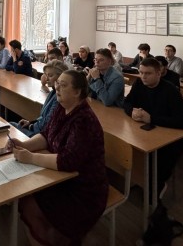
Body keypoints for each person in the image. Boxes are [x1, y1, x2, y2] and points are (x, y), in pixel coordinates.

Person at [9, 70, 108, 245]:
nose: (57, 88)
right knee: (25, 196)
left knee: (31, 203)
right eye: (57, 84)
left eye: (63, 85)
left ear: (77, 92)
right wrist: (24, 145)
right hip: (62, 178)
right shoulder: (61, 108)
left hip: (83, 189)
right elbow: (46, 135)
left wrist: (30, 157)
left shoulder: (84, 120)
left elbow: (68, 161)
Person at [124, 58, 183, 196]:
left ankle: (156, 187)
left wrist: (152, 119)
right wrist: (132, 112)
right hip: (146, 132)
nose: (143, 76)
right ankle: (140, 179)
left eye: (148, 73)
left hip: (170, 138)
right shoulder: (139, 84)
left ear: (159, 74)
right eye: (141, 72)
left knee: (159, 161)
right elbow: (127, 102)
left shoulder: (171, 91)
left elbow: (182, 121)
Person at [11, 60, 68, 137]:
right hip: (39, 130)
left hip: (42, 135)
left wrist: (31, 126)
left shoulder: (59, 97)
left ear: (60, 77)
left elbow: (46, 123)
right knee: (10, 126)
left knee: (10, 126)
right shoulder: (53, 92)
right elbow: (43, 118)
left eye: (50, 76)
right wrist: (31, 122)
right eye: (46, 75)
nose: (46, 79)